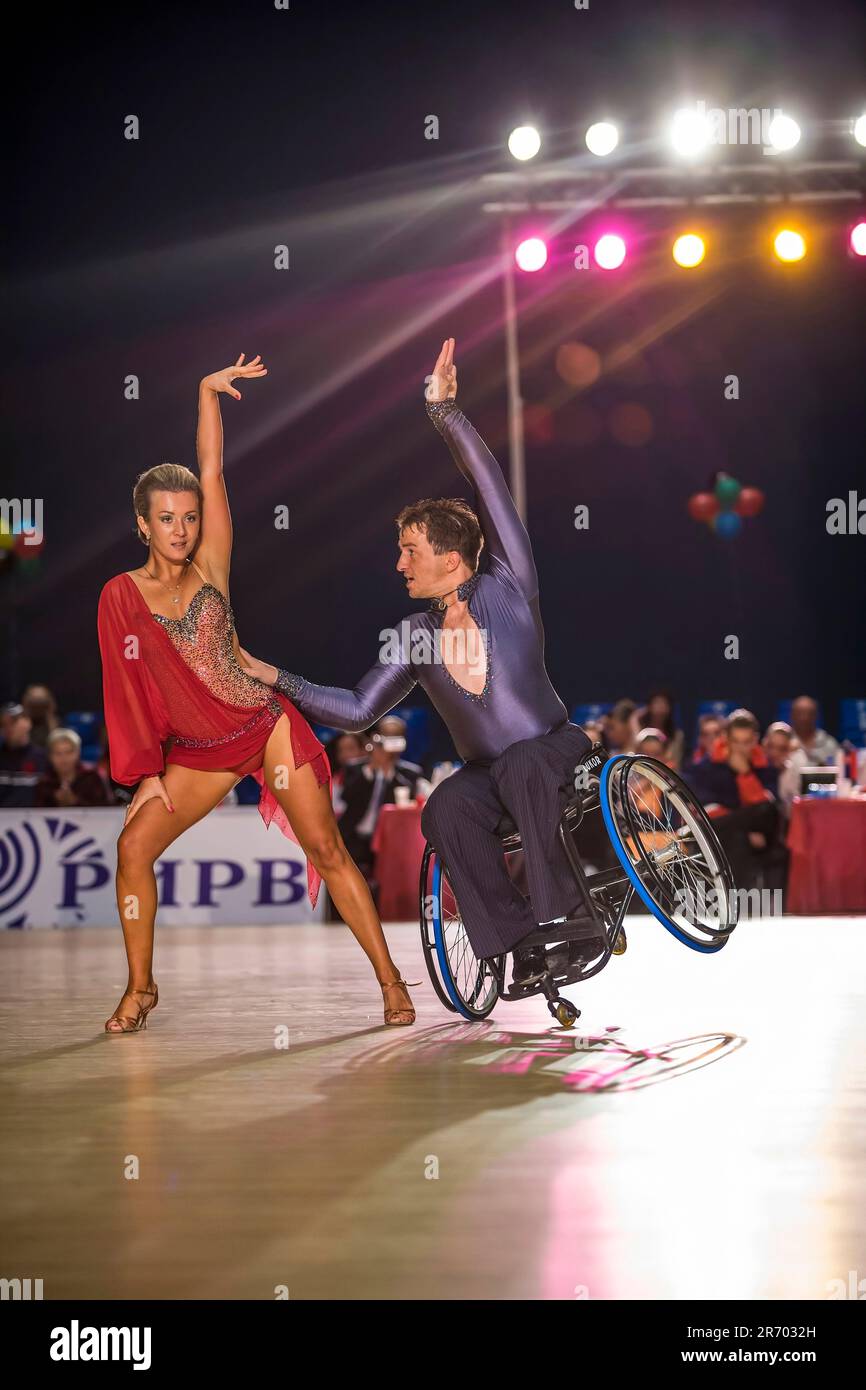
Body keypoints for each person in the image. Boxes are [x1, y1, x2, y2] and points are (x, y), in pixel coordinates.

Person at [241, 338, 607, 986]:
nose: (399, 563)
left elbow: (488, 486)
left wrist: (446, 413)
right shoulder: (414, 635)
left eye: (409, 550)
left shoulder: (507, 584)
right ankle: (518, 944)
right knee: (442, 809)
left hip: (554, 750)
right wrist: (274, 676)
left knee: (522, 762)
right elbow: (356, 713)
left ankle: (571, 923)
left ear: (450, 555)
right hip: (491, 776)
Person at [97, 354, 416, 1032]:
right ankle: (141, 988)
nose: (181, 528)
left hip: (262, 725)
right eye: (166, 518)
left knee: (327, 850)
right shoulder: (121, 596)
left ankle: (390, 981)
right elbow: (122, 689)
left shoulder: (212, 562)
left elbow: (212, 471)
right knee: (131, 851)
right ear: (142, 525)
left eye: (187, 517)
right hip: (198, 752)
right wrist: (145, 776)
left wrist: (205, 392)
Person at [683, 708, 787, 892]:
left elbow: (768, 810)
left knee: (766, 810)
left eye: (746, 742)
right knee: (738, 838)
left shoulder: (766, 768)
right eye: (736, 742)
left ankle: (732, 903)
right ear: (726, 739)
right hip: (725, 835)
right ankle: (735, 903)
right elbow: (709, 809)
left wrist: (745, 774)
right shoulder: (708, 768)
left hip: (758, 835)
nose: (740, 748)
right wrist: (746, 829)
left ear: (755, 740)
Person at [338, 716, 423, 888]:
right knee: (347, 884)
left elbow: (407, 802)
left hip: (389, 843)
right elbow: (346, 797)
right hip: (353, 837)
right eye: (387, 737)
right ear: (377, 738)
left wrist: (388, 771)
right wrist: (372, 768)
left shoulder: (410, 773)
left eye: (396, 737)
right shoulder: (355, 768)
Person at [35, 727, 112, 807]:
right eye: (58, 753)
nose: (63, 758)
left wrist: (75, 801)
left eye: (68, 752)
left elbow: (107, 809)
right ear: (50, 756)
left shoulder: (93, 776)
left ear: (78, 753)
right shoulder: (44, 783)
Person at [0, 702, 47, 807]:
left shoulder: (43, 758)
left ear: (28, 722)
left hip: (34, 821)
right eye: (3, 724)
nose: (8, 727)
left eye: (13, 722)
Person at [631, 688, 684, 769]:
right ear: (649, 707)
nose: (660, 708)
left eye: (664, 704)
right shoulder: (642, 733)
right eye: (657, 703)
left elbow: (675, 764)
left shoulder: (676, 735)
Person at [789, 695, 840, 765]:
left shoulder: (829, 744)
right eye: (799, 713)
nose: (804, 718)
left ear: (816, 716)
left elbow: (836, 770)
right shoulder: (783, 743)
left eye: (809, 713)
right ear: (792, 715)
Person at [21, 684, 61, 749]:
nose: (37, 704)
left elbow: (56, 745)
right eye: (34, 701)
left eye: (41, 700)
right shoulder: (21, 725)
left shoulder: (56, 724)